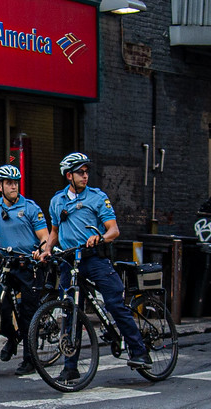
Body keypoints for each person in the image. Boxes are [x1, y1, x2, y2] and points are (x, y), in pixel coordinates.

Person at [41, 152, 152, 382]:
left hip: (94, 259)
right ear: (68, 175)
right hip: (69, 262)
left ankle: (140, 351)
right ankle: (70, 366)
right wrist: (46, 250)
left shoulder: (97, 197)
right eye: (80, 172)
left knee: (114, 302)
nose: (85, 176)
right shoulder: (56, 201)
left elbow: (114, 230)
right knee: (70, 311)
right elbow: (54, 233)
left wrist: (100, 237)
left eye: (87, 171)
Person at [0, 165, 48, 376]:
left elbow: (44, 236)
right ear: (0, 186)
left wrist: (42, 250)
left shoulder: (30, 207)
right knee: (1, 307)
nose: (13, 186)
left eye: (15, 182)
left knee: (28, 313)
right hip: (7, 264)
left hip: (29, 265)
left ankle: (30, 359)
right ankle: (12, 337)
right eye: (9, 183)